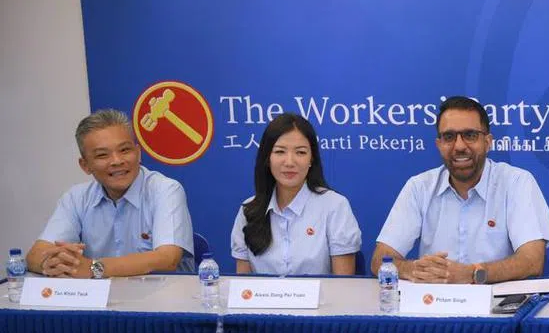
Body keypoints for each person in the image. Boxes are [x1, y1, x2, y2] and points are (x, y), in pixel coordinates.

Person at [371, 96, 549, 284]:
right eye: (449, 137)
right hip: (433, 305)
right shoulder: (419, 187)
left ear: (488, 142)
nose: (459, 146)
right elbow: (380, 259)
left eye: (470, 135)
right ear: (439, 145)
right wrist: (413, 270)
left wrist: (471, 274)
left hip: (500, 307)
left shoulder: (517, 182)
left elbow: (533, 262)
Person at [27, 109, 194, 278]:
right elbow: (35, 254)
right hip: (98, 301)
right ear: (85, 165)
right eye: (102, 155)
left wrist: (94, 268)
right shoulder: (76, 198)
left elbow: (167, 258)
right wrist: (50, 263)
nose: (117, 161)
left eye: (124, 150)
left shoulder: (165, 190)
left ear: (138, 153)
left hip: (162, 299)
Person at [230, 113, 361, 275]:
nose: (290, 162)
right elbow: (244, 290)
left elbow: (344, 288)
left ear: (311, 158)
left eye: (300, 152)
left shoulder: (335, 206)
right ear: (267, 158)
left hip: (323, 301)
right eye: (280, 152)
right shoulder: (248, 210)